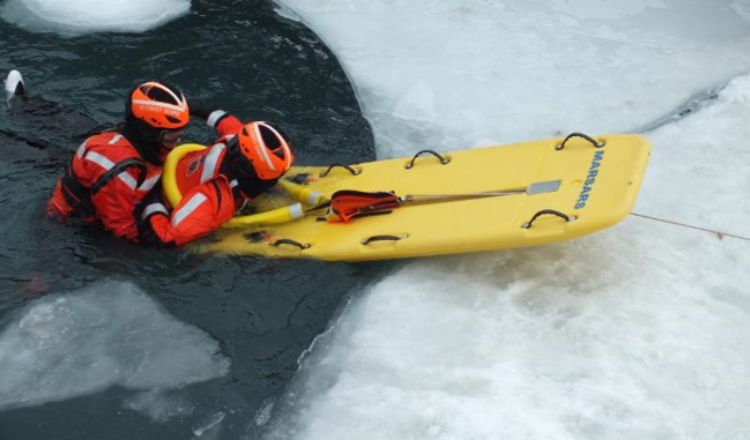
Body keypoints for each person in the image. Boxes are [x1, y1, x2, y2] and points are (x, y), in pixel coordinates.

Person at [47, 80, 191, 241]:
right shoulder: (120, 169)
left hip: (115, 196)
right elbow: (120, 228)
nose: (178, 143)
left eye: (180, 135)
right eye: (171, 138)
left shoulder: (146, 144)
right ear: (149, 133)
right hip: (74, 225)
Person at [137, 105, 294, 246]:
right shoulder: (216, 200)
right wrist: (153, 199)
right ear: (246, 171)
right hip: (157, 202)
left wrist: (188, 107)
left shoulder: (236, 136)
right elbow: (165, 238)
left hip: (173, 165)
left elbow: (217, 115)